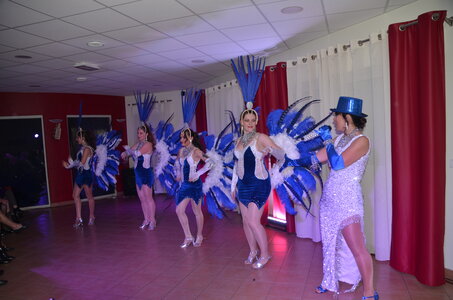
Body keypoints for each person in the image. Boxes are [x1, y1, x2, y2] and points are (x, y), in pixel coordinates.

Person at [314, 97, 378, 300]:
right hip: (330, 199)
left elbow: (339, 163)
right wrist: (289, 154)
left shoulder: (362, 141)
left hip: (348, 201)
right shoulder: (339, 140)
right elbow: (317, 157)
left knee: (357, 248)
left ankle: (370, 292)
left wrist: (327, 141)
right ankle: (329, 281)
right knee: (330, 243)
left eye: (336, 116)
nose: (334, 120)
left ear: (347, 118)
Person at [230, 107, 283, 269]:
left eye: (253, 120)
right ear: (241, 122)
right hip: (242, 185)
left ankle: (265, 254)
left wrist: (270, 152)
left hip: (259, 184)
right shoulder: (239, 141)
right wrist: (233, 187)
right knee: (246, 221)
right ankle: (253, 251)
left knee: (253, 221)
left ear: (256, 122)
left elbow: (281, 155)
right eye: (247, 120)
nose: (250, 123)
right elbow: (236, 165)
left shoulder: (261, 137)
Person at [174, 128, 212, 248]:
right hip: (184, 186)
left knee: (197, 211)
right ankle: (188, 236)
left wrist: (198, 173)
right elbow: (177, 164)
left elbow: (211, 163)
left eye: (183, 137)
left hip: (195, 185)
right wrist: (179, 174)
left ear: (189, 138)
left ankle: (199, 235)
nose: (181, 140)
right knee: (179, 210)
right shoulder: (181, 151)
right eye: (180, 137)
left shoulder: (196, 151)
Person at [121, 124, 157, 230]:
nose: (138, 135)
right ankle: (146, 219)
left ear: (146, 134)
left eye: (141, 133)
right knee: (142, 199)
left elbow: (136, 153)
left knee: (148, 198)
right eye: (138, 133)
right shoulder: (138, 144)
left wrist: (129, 151)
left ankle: (152, 220)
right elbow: (128, 152)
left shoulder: (148, 144)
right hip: (138, 175)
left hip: (146, 174)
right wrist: (124, 153)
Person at [63, 129, 96, 228]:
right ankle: (79, 218)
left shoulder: (87, 149)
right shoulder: (82, 149)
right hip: (81, 174)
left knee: (89, 196)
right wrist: (70, 163)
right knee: (75, 195)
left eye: (78, 137)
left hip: (86, 174)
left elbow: (82, 162)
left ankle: (91, 216)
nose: (77, 139)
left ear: (83, 138)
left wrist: (70, 165)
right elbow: (78, 162)